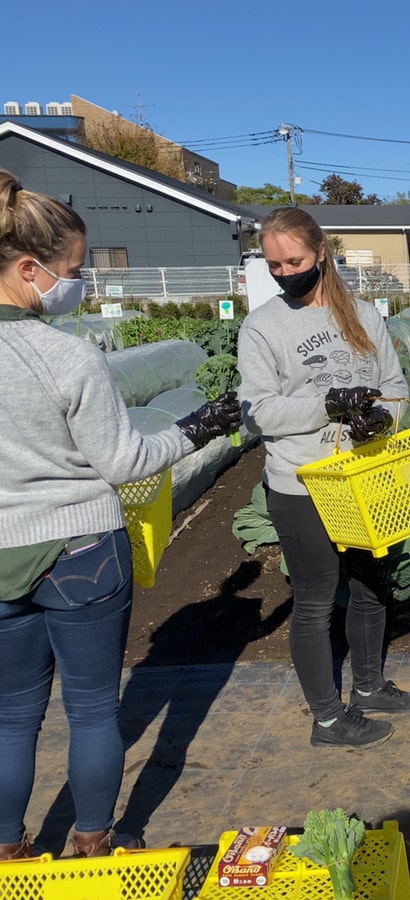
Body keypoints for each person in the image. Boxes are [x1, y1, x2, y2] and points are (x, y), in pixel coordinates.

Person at [0, 171, 240, 858]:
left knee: (11, 719)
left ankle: (9, 855)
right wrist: (195, 429)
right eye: (73, 272)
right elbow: (127, 461)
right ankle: (93, 846)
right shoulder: (67, 356)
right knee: (92, 710)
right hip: (81, 551)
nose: (81, 286)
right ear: (28, 269)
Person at [238, 206, 410, 751]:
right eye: (273, 264)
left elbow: (393, 383)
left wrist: (380, 417)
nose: (282, 272)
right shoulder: (263, 327)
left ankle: (368, 687)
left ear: (320, 254)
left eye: (292, 260)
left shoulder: (363, 315)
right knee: (316, 600)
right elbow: (258, 411)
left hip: (365, 478)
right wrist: (329, 406)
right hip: (302, 483)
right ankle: (327, 719)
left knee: (372, 585)